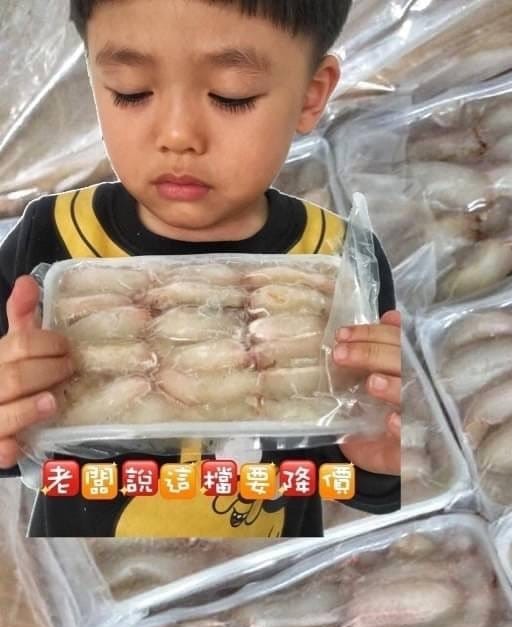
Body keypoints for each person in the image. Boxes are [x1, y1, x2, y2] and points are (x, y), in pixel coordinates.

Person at [0, 0, 402, 538]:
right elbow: (16, 449)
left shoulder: (341, 263)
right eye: (130, 91)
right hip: (93, 575)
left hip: (267, 573)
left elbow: (358, 475)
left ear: (310, 95)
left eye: (231, 96)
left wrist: (383, 460)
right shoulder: (51, 237)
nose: (177, 135)